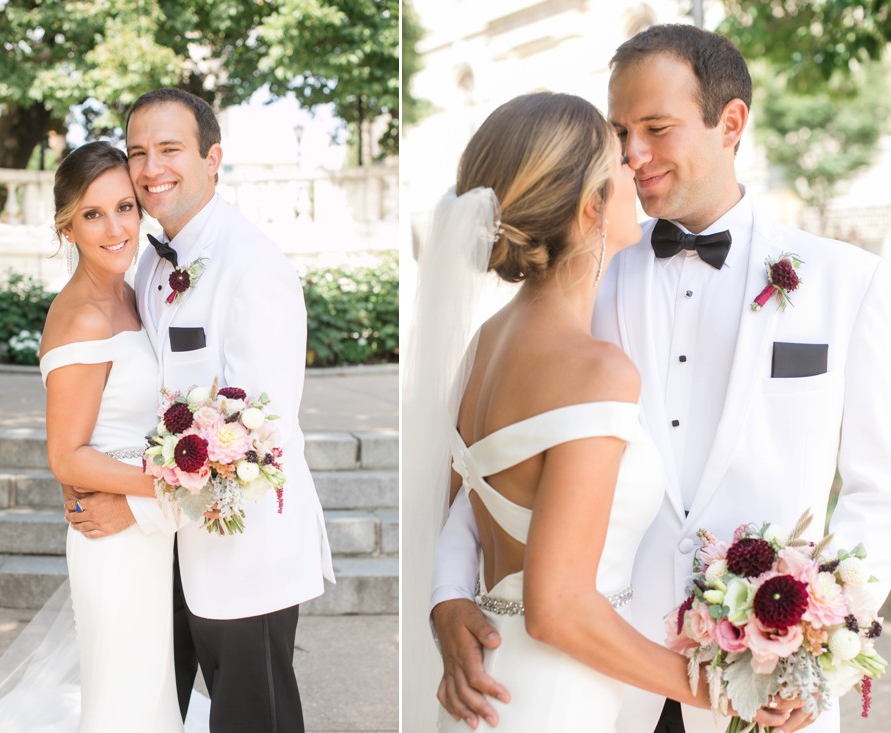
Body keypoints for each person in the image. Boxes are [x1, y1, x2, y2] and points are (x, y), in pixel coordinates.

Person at [427, 24, 891, 733]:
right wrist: (450, 590)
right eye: (619, 132)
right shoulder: (586, 272)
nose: (633, 154)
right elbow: (501, 458)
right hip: (606, 678)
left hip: (768, 688)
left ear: (730, 122)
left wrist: (820, 653)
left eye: (657, 127)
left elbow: (877, 492)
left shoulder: (847, 282)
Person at [404, 90, 787, 733]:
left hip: (493, 680)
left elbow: (461, 505)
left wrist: (448, 600)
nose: (636, 167)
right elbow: (557, 610)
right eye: (618, 160)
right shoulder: (595, 370)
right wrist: (718, 691)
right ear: (590, 206)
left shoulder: (485, 345)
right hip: (558, 693)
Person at [63, 88, 335, 733]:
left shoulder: (254, 264)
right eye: (137, 152)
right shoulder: (153, 265)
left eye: (170, 149)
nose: (151, 167)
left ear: (213, 158)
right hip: (176, 548)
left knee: (253, 721)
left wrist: (127, 502)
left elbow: (255, 435)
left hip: (246, 550)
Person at [0, 141, 197, 732]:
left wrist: (155, 496)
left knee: (150, 693)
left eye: (125, 207)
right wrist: (167, 483)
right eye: (93, 214)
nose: (114, 228)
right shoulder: (84, 315)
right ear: (66, 226)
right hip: (114, 541)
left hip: (148, 530)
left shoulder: (133, 294)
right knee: (123, 701)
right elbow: (66, 455)